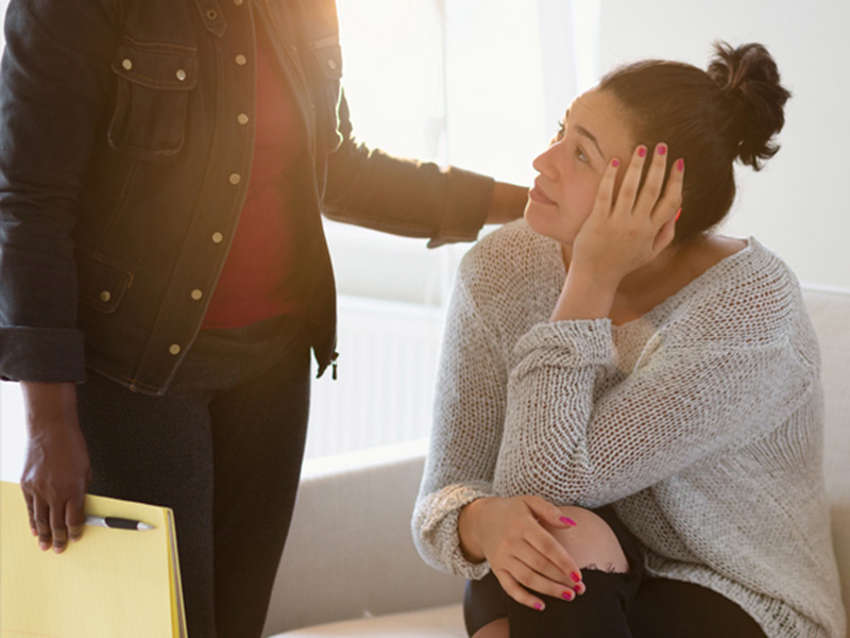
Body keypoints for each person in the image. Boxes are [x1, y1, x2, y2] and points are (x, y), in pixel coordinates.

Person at [0, 2, 527, 637]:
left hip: (272, 376)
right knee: (169, 625)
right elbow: (29, 205)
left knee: (239, 624)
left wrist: (530, 204)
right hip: (136, 380)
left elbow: (337, 166)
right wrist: (47, 421)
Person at [412, 40, 847, 638]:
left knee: (548, 547)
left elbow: (549, 479)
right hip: (593, 563)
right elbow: (449, 493)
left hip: (735, 594)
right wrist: (484, 522)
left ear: (659, 201)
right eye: (561, 131)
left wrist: (589, 278)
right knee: (535, 552)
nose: (543, 161)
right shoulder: (500, 270)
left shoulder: (750, 309)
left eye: (582, 155)